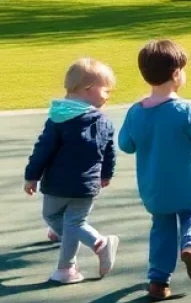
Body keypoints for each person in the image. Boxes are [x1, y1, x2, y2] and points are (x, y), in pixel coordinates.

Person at [118, 40, 191, 301]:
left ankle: (158, 281)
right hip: (186, 186)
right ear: (176, 74)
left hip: (154, 190)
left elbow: (126, 145)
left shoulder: (136, 111)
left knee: (162, 228)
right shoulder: (185, 110)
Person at [24, 59, 120, 284]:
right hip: (80, 184)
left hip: (64, 184)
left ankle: (69, 267)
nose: (108, 95)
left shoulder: (58, 118)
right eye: (106, 90)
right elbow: (109, 152)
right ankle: (98, 244)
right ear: (89, 90)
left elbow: (43, 150)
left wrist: (32, 175)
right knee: (64, 221)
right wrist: (106, 173)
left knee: (63, 220)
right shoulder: (97, 120)